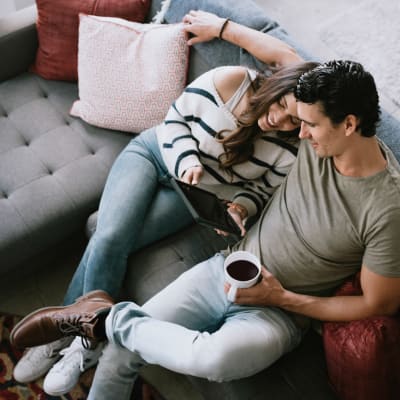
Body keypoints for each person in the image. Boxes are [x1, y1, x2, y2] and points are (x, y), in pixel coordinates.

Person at [11, 60, 400, 400]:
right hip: (227, 268)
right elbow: (285, 62)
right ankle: (99, 323)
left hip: (279, 314)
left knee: (210, 356)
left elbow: (377, 304)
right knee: (120, 351)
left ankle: (102, 317)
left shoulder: (387, 209)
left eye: (309, 125)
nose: (298, 134)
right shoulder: (318, 139)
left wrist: (282, 298)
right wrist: (226, 25)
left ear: (350, 124)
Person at [12, 10, 316, 396]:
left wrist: (241, 208)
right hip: (155, 153)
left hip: (191, 193)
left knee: (122, 242)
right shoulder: (235, 82)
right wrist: (186, 160)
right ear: (278, 85)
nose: (279, 121)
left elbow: (258, 192)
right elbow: (174, 121)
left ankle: (78, 340)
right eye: (280, 106)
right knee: (109, 235)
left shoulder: (290, 150)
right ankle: (74, 335)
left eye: (293, 120)